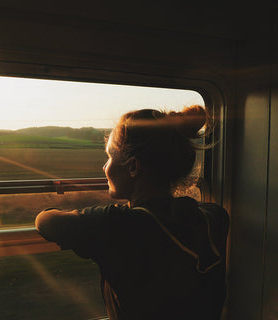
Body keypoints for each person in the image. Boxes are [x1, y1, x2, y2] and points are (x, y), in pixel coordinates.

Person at [35, 105, 229, 320]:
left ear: (133, 167)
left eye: (109, 156)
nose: (104, 167)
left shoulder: (119, 225)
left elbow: (46, 222)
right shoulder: (214, 216)